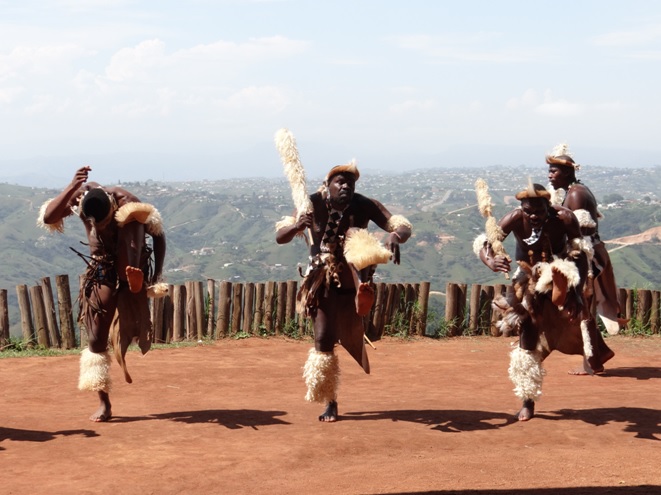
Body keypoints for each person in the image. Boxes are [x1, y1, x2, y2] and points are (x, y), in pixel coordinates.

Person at [276, 161, 412, 422]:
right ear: (328, 185)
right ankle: (330, 401)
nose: (346, 186)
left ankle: (362, 292)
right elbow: (280, 236)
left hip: (353, 276)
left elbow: (401, 225)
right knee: (324, 339)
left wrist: (396, 236)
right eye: (340, 181)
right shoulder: (311, 203)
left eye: (350, 183)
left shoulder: (363, 204)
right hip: (322, 280)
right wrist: (297, 226)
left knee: (354, 233)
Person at [37, 166, 167, 422]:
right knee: (96, 339)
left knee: (131, 235)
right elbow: (50, 218)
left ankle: (132, 284)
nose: (96, 227)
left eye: (103, 221)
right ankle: (104, 403)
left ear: (111, 206)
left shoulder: (128, 203)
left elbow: (159, 236)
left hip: (132, 264)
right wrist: (71, 186)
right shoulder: (81, 196)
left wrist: (155, 276)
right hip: (101, 268)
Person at [474, 181, 597, 421]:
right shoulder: (514, 219)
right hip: (526, 278)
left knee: (567, 319)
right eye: (528, 211)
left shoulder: (564, 218)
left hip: (560, 273)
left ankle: (585, 347)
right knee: (527, 334)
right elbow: (486, 243)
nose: (534, 216)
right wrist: (490, 261)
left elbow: (581, 253)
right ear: (522, 207)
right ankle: (527, 401)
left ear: (548, 205)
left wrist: (577, 292)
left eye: (539, 211)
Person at [547, 143, 622, 371]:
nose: (550, 175)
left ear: (568, 173)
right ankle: (598, 354)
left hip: (587, 257)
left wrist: (581, 266)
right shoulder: (572, 191)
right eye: (549, 170)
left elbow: (584, 231)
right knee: (580, 308)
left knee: (582, 308)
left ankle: (593, 360)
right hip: (583, 255)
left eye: (554, 171)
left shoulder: (577, 194)